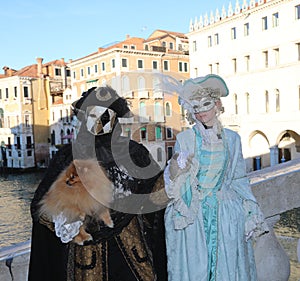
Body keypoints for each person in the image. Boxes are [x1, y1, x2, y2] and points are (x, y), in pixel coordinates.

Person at [28, 86, 168, 281]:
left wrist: (175, 176)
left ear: (115, 116)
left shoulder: (134, 153)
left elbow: (154, 196)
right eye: (91, 114)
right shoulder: (68, 155)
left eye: (103, 114)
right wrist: (67, 218)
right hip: (85, 253)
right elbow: (42, 206)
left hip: (128, 247)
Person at [163, 74, 269, 281]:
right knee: (195, 268)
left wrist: (249, 208)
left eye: (206, 104)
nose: (201, 111)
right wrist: (178, 170)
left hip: (225, 213)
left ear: (217, 104)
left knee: (227, 266)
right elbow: (177, 179)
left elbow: (238, 176)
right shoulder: (185, 138)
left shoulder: (233, 138)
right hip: (194, 214)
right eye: (196, 107)